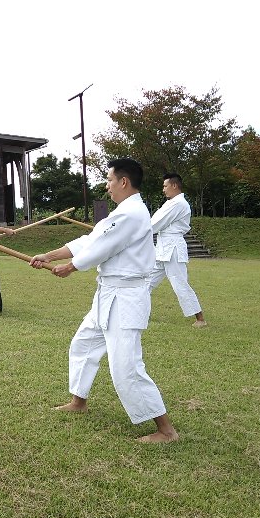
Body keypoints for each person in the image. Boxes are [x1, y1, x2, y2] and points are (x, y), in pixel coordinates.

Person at [30, 158, 178, 444]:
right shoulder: (122, 213)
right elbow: (90, 240)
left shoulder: (131, 214)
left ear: (123, 181)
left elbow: (101, 248)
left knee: (126, 367)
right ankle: (79, 401)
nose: (107, 186)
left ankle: (166, 430)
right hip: (107, 294)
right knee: (84, 344)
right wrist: (49, 256)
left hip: (126, 297)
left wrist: (71, 267)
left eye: (110, 180)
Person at [148, 173, 207, 327]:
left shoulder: (179, 204)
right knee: (146, 280)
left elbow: (157, 223)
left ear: (174, 185)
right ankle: (138, 312)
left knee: (179, 284)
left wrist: (134, 232)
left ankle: (200, 318)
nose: (163, 189)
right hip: (161, 248)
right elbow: (154, 222)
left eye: (165, 186)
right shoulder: (170, 203)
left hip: (173, 248)